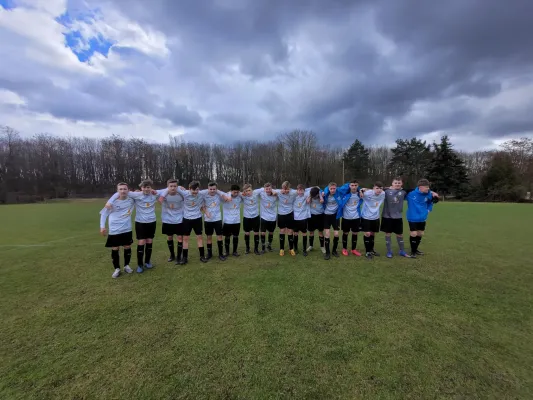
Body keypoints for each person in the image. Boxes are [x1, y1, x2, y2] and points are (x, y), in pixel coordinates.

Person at [105, 179, 164, 273]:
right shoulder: (136, 195)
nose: (146, 189)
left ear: (151, 187)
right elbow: (120, 192)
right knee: (141, 242)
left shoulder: (155, 194)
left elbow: (167, 190)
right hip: (140, 222)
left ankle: (147, 262)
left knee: (149, 241)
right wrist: (110, 201)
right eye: (144, 187)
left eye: (148, 187)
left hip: (152, 222)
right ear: (141, 188)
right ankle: (140, 265)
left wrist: (180, 188)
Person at [159, 181, 209, 264]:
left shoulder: (201, 194)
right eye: (193, 190)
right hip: (186, 219)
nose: (195, 192)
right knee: (185, 238)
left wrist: (206, 212)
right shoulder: (185, 193)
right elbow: (171, 188)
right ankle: (184, 258)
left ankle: (202, 256)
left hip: (198, 219)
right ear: (189, 189)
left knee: (199, 237)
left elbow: (213, 190)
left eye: (197, 190)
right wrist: (180, 186)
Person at [99, 182, 135, 278]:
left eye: (125, 189)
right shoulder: (112, 203)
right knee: (115, 249)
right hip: (114, 230)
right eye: (120, 189)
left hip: (127, 229)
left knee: (127, 247)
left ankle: (127, 266)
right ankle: (117, 269)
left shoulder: (132, 200)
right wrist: (102, 227)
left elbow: (142, 193)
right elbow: (104, 214)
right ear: (117, 191)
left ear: (128, 190)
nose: (123, 191)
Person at [406, 179, 439, 258]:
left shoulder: (429, 194)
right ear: (420, 187)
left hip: (422, 217)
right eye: (426, 187)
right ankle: (413, 252)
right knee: (414, 234)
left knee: (420, 233)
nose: (428, 189)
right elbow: (399, 192)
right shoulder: (410, 194)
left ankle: (416, 249)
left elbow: (431, 202)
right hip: (412, 217)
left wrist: (428, 209)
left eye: (428, 187)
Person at [380, 177, 410, 258]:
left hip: (398, 217)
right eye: (395, 183)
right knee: (388, 234)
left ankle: (402, 251)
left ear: (401, 184)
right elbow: (376, 189)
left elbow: (418, 190)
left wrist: (431, 192)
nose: (397, 184)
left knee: (400, 234)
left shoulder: (404, 192)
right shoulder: (386, 191)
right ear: (392, 184)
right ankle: (389, 251)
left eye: (399, 183)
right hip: (387, 216)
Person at [201, 182, 230, 261]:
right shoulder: (204, 195)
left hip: (217, 219)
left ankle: (220, 254)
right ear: (208, 189)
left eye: (214, 189)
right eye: (211, 189)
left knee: (219, 236)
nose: (212, 190)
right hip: (208, 220)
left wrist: (219, 192)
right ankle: (209, 254)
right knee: (209, 237)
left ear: (216, 189)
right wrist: (206, 213)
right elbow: (202, 206)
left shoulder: (218, 195)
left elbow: (227, 198)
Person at [322, 181, 350, 260]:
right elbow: (318, 190)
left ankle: (334, 251)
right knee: (327, 234)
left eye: (334, 188)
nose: (333, 190)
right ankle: (327, 253)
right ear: (328, 188)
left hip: (335, 216)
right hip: (326, 216)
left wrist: (360, 190)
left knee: (336, 234)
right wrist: (322, 193)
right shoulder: (325, 193)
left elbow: (349, 185)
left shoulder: (339, 191)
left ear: (336, 188)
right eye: (331, 188)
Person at [160, 179, 185, 264]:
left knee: (179, 238)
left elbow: (191, 193)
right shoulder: (162, 193)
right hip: (167, 220)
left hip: (179, 220)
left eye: (175, 186)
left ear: (177, 187)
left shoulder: (182, 194)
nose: (173, 188)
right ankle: (172, 255)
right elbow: (151, 191)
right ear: (167, 187)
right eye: (171, 186)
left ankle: (178, 256)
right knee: (169, 237)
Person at [360, 182, 386, 260]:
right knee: (367, 233)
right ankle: (367, 252)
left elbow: (388, 188)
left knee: (372, 234)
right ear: (373, 188)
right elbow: (361, 189)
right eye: (377, 188)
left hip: (376, 217)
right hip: (366, 216)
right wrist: (361, 190)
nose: (379, 190)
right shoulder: (367, 193)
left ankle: (371, 250)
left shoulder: (383, 193)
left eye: (380, 188)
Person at [275, 181, 298, 256]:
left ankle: (291, 249)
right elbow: (269, 190)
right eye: (283, 189)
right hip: (281, 214)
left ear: (289, 188)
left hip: (290, 213)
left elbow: (305, 190)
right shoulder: (278, 192)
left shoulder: (293, 192)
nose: (285, 191)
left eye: (287, 189)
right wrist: (275, 192)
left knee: (290, 231)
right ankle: (281, 249)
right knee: (282, 230)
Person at [341, 180, 363, 257]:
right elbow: (331, 188)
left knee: (355, 233)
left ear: (358, 186)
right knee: (345, 233)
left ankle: (353, 249)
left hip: (356, 217)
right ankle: (344, 249)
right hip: (346, 217)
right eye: (352, 185)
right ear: (349, 186)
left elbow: (370, 190)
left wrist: (360, 190)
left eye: (355, 185)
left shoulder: (360, 194)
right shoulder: (344, 194)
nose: (354, 187)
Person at [257, 182, 278, 253]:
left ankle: (269, 246)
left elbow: (283, 191)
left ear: (272, 189)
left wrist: (274, 191)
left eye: (269, 189)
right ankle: (263, 248)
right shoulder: (262, 193)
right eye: (267, 189)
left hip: (273, 217)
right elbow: (255, 191)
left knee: (271, 232)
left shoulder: (276, 193)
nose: (268, 190)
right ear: (264, 189)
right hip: (264, 217)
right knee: (263, 233)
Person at [222, 184, 243, 256]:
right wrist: (228, 194)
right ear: (231, 191)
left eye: (237, 192)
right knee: (227, 237)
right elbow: (220, 194)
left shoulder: (240, 197)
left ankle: (235, 251)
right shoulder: (225, 197)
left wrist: (240, 193)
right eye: (234, 192)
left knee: (235, 236)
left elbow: (246, 194)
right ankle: (227, 252)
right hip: (227, 221)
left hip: (237, 221)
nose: (236, 194)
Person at [241, 184, 261, 255]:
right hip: (246, 218)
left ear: (252, 190)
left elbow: (265, 188)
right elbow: (232, 193)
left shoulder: (256, 193)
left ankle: (256, 249)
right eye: (246, 191)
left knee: (256, 233)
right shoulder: (242, 196)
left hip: (255, 217)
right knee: (247, 233)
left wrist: (273, 192)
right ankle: (247, 248)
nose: (248, 192)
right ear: (244, 191)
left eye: (249, 190)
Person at [292, 184, 311, 256]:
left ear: (304, 190)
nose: (300, 192)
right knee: (295, 233)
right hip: (295, 218)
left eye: (301, 190)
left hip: (303, 218)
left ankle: (304, 250)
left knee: (304, 233)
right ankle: (295, 248)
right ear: (297, 190)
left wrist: (308, 196)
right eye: (298, 190)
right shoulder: (294, 196)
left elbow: (315, 188)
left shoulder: (306, 196)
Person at [306, 187, 325, 253]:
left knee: (320, 232)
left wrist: (320, 195)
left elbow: (322, 201)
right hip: (311, 216)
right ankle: (311, 246)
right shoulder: (310, 194)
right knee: (311, 232)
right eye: (313, 196)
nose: (314, 197)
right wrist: (310, 197)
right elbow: (307, 201)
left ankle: (322, 247)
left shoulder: (320, 194)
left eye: (315, 196)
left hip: (320, 216)